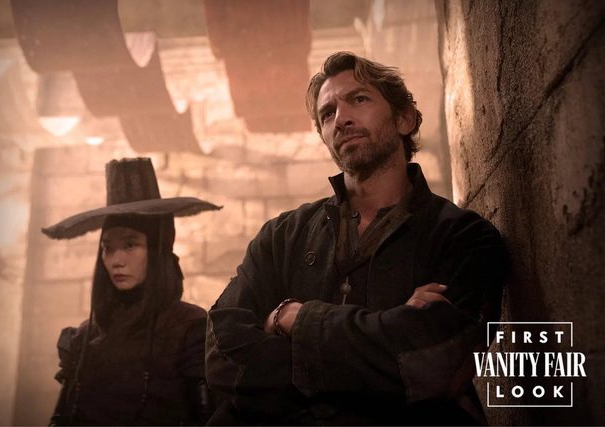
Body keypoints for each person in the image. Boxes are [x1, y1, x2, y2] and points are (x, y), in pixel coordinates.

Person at [205, 52, 509, 425]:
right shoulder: (282, 236)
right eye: (327, 114)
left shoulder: (463, 237)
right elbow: (223, 354)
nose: (341, 119)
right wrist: (386, 335)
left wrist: (293, 319)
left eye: (358, 99)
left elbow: (434, 365)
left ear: (404, 118)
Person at [43, 157, 221, 426]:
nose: (116, 260)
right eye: (107, 247)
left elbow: (209, 419)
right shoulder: (85, 336)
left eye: (130, 245)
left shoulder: (190, 330)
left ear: (157, 250)